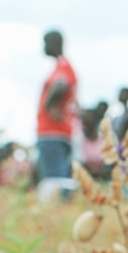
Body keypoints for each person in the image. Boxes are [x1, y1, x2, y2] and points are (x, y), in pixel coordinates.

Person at [35, 30, 79, 201]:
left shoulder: (63, 67)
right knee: (59, 178)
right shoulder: (63, 66)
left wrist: (49, 105)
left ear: (55, 43)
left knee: (54, 182)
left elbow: (61, 84)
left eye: (46, 42)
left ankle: (53, 218)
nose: (44, 47)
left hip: (52, 131)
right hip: (58, 131)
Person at [78, 102, 112, 180]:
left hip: (106, 175)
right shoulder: (78, 138)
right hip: (86, 176)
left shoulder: (105, 137)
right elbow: (79, 161)